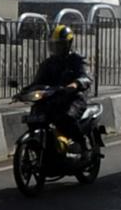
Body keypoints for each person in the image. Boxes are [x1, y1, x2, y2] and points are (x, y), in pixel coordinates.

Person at [30, 25, 93, 156]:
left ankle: (83, 143)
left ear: (68, 44)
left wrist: (75, 84)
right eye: (54, 45)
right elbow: (37, 82)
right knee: (35, 116)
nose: (56, 48)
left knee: (67, 117)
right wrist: (23, 92)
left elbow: (86, 77)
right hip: (53, 97)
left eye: (59, 45)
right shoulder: (48, 63)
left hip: (74, 98)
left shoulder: (77, 60)